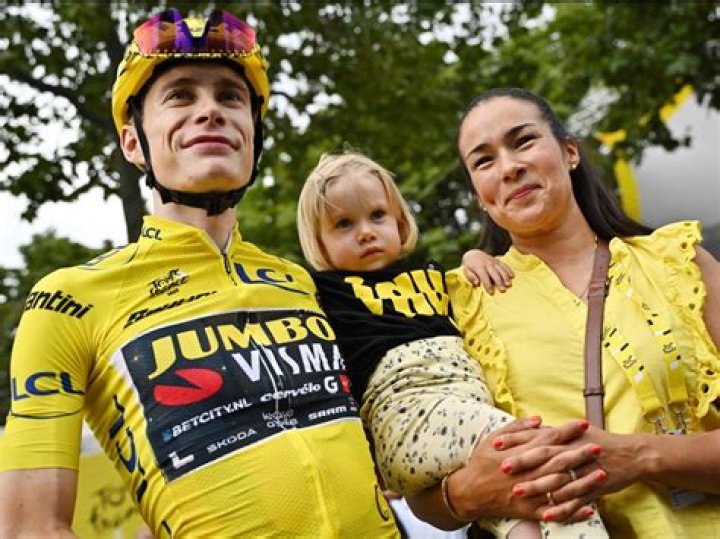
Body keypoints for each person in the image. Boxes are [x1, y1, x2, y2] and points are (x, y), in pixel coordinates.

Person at [0, 9, 399, 537]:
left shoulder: (304, 282)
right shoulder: (69, 300)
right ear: (133, 142)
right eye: (181, 95)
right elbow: (28, 528)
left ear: (254, 135)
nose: (210, 110)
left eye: (230, 97)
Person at [409, 87, 720, 537]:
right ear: (478, 194)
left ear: (569, 152)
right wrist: (471, 494)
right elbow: (423, 491)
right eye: (484, 161)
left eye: (523, 141)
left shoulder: (678, 264)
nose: (509, 167)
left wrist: (641, 456)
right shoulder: (456, 304)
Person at [296, 150, 609, 538]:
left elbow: (463, 286)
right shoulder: (327, 294)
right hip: (409, 416)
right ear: (320, 242)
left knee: (520, 508)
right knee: (541, 456)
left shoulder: (431, 279)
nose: (365, 232)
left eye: (377, 215)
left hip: (463, 418)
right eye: (343, 224)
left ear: (399, 222)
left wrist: (475, 257)